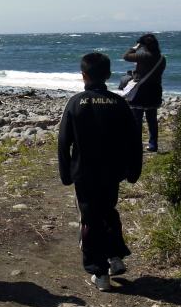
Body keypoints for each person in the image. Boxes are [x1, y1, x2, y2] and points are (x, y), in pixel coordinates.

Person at [58, 52, 142, 292]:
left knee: (90, 219)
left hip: (84, 174)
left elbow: (64, 142)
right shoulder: (119, 103)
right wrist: (134, 169)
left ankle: (99, 272)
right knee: (108, 212)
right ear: (107, 75)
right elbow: (134, 140)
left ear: (83, 75)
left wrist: (65, 173)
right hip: (112, 173)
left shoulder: (76, 102)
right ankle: (115, 256)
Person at [123, 34, 166, 152]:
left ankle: (136, 144)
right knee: (152, 119)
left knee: (137, 119)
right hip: (155, 90)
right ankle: (153, 144)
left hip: (140, 91)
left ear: (144, 45)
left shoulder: (143, 56)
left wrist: (135, 47)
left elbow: (126, 56)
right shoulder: (162, 58)